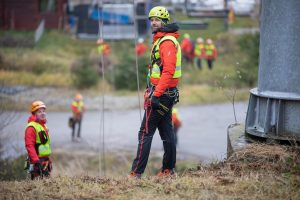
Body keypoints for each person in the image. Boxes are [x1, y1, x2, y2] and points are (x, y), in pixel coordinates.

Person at [130, 6, 181, 178]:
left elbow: (168, 71)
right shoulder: (163, 39)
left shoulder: (166, 42)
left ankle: (136, 173)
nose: (153, 22)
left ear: (164, 22)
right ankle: (168, 170)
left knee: (145, 132)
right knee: (167, 131)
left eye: (157, 19)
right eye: (151, 20)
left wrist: (156, 95)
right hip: (166, 93)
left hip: (161, 94)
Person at [24, 101, 52, 180]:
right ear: (34, 114)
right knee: (37, 186)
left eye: (43, 111)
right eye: (39, 112)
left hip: (45, 161)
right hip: (37, 162)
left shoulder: (43, 126)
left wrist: (48, 159)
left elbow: (45, 145)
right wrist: (36, 161)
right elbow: (29, 146)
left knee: (48, 186)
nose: (42, 113)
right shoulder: (31, 127)